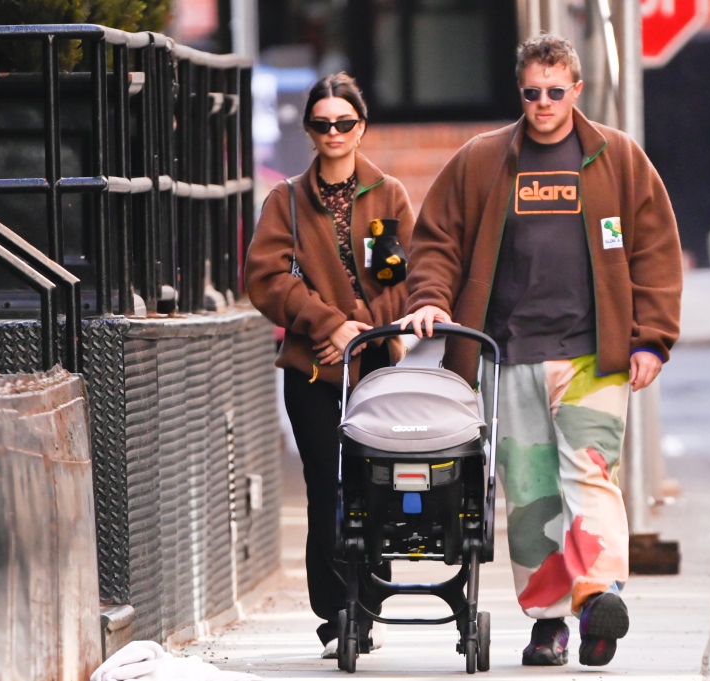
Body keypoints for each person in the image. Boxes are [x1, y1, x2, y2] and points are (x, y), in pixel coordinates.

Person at [397, 34, 682, 667]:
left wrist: (652, 339)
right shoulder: (483, 160)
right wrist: (430, 298)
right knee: (529, 492)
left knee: (592, 474)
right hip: (508, 353)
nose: (544, 103)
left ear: (576, 90)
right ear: (520, 92)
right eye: (533, 92)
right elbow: (437, 239)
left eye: (556, 91)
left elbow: (656, 252)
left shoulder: (618, 159)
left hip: (592, 356)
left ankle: (597, 596)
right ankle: (549, 621)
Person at [245, 72, 414, 659]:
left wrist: (362, 329)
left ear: (361, 127)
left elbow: (403, 278)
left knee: (375, 484)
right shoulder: (285, 200)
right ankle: (336, 614)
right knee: (325, 487)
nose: (334, 132)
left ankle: (369, 604)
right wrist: (328, 325)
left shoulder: (388, 194)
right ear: (310, 130)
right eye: (323, 123)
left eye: (345, 122)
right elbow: (265, 280)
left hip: (375, 369)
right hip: (312, 369)